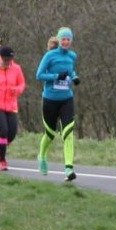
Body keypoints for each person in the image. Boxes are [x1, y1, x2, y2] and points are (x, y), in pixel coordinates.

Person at [34, 27, 79, 180]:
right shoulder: (50, 56)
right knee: (50, 134)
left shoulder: (72, 56)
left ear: (71, 41)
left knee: (68, 132)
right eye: (63, 39)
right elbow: (39, 75)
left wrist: (74, 77)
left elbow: (70, 71)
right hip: (50, 99)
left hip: (67, 99)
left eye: (68, 39)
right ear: (59, 40)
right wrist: (56, 76)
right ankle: (42, 155)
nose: (66, 42)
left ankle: (68, 168)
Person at [0, 47, 25, 171]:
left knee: (11, 134)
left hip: (11, 106)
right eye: (5, 60)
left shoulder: (16, 69)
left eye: (10, 60)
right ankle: (2, 161)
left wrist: (17, 90)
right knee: (2, 132)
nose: (8, 63)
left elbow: (22, 83)